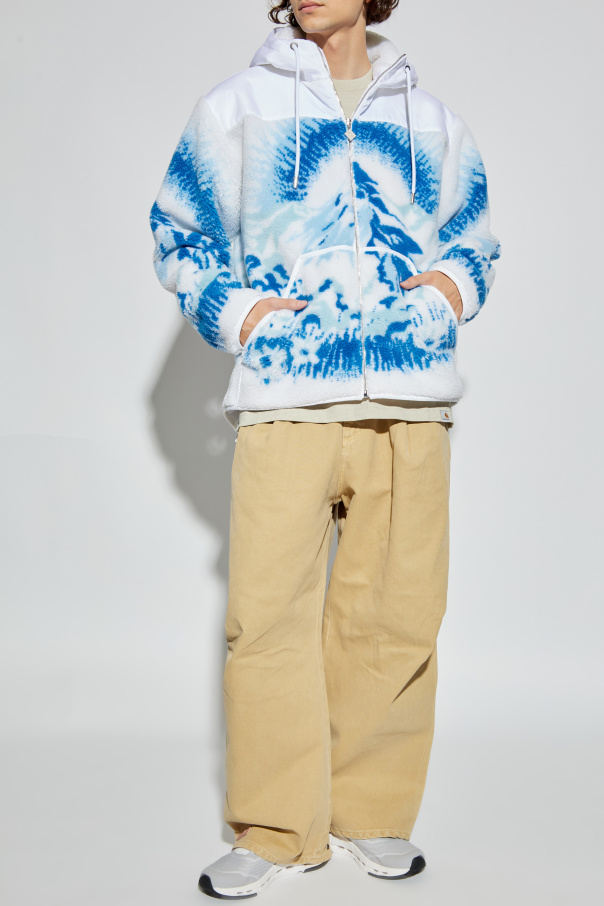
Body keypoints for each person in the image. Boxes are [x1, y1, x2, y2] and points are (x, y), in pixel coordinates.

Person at [149, 0, 500, 898]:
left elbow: (475, 239)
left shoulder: (432, 120)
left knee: (397, 615)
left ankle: (372, 811)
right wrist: (240, 313)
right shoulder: (237, 107)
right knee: (266, 619)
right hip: (287, 400)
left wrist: (445, 295)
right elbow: (179, 228)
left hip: (411, 402)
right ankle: (274, 827)